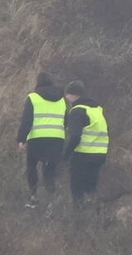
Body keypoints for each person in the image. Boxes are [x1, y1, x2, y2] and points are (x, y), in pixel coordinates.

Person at [17, 71, 66, 207]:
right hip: (56, 139)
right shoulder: (61, 99)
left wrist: (21, 139)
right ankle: (51, 199)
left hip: (37, 139)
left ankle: (34, 196)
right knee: (50, 168)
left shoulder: (33, 98)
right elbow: (66, 120)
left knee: (32, 166)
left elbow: (27, 120)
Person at [60, 80, 109, 210]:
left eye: (68, 94)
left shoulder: (77, 111)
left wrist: (66, 155)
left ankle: (79, 214)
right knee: (91, 187)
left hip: (83, 155)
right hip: (100, 154)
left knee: (77, 187)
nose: (66, 97)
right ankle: (94, 212)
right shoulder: (96, 109)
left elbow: (75, 136)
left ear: (75, 95)